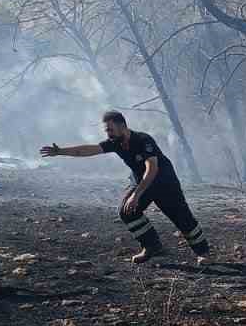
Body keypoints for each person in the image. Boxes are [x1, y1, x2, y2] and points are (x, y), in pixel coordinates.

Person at [39, 110, 215, 265]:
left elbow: (152, 169)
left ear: (122, 126)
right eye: (106, 130)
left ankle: (203, 252)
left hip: (164, 182)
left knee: (181, 217)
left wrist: (136, 195)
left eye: (110, 129)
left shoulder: (143, 140)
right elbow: (88, 150)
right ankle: (152, 246)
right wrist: (60, 151)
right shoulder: (115, 142)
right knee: (127, 211)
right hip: (141, 181)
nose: (108, 134)